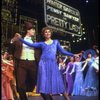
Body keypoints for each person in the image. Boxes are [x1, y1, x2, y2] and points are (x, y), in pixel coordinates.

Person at [16, 26, 81, 100]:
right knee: (44, 82)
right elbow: (31, 45)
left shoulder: (56, 42)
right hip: (43, 64)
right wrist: (20, 39)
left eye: (49, 32)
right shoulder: (42, 43)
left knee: (58, 81)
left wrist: (73, 54)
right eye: (46, 32)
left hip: (53, 64)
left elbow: (63, 51)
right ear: (44, 34)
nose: (47, 33)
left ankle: (67, 98)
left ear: (51, 33)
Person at [8, 22, 40, 100]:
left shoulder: (35, 42)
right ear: (28, 30)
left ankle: (27, 90)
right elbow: (7, 44)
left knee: (34, 81)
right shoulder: (19, 40)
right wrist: (13, 39)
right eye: (32, 30)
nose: (34, 31)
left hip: (32, 63)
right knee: (20, 84)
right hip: (21, 63)